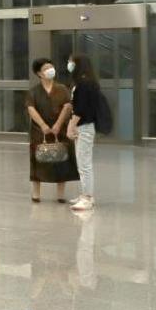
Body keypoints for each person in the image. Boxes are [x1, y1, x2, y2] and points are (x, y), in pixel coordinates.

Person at [26, 58, 79, 203]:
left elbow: (67, 106)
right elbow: (31, 108)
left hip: (60, 129)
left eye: (51, 67)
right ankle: (36, 193)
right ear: (39, 73)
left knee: (62, 159)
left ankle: (60, 194)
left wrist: (58, 124)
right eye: (46, 68)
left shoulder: (62, 89)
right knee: (37, 160)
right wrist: (43, 125)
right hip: (39, 130)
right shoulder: (34, 91)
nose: (50, 70)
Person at [66, 54, 100, 211]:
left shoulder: (84, 84)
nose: (69, 64)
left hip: (84, 127)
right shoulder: (85, 83)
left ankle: (88, 197)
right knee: (82, 163)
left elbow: (80, 109)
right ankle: (85, 194)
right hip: (83, 126)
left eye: (71, 62)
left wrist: (71, 126)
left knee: (84, 164)